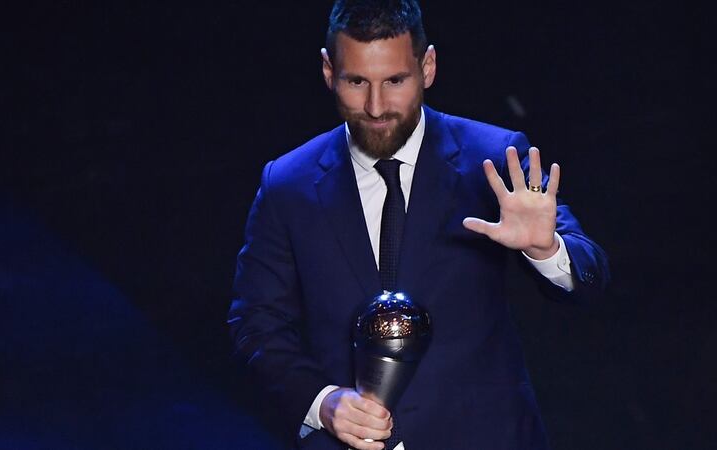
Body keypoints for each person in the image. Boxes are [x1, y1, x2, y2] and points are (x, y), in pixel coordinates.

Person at [227, 1, 609, 449]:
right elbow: (255, 324)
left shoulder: (492, 157)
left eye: (394, 81)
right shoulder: (286, 185)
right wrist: (323, 403)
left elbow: (590, 276)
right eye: (356, 82)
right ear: (329, 71)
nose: (375, 106)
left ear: (426, 67)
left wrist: (546, 251)